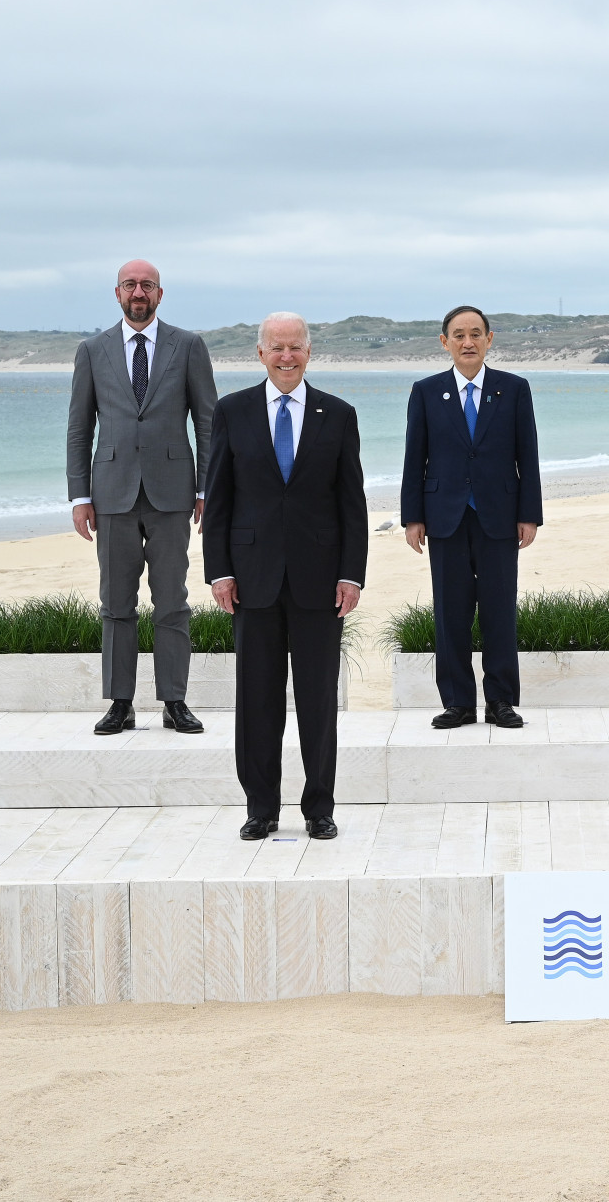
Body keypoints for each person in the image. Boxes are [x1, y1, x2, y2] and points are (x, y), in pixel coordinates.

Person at [203, 313, 370, 841]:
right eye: (276, 348)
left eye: (295, 347)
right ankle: (261, 808)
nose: (286, 357)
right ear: (260, 354)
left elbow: (352, 504)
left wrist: (352, 575)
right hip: (250, 580)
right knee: (257, 700)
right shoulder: (231, 412)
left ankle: (319, 806)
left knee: (319, 699)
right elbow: (220, 500)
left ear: (309, 351)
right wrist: (219, 572)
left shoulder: (338, 415)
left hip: (320, 581)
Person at [66, 259, 218, 736]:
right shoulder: (92, 350)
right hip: (110, 493)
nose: (138, 292)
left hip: (173, 493)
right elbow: (78, 428)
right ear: (117, 293)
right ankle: (120, 702)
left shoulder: (188, 346)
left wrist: (205, 489)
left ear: (159, 293)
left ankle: (175, 701)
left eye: (146, 285)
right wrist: (79, 496)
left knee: (172, 601)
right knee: (115, 602)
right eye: (130, 285)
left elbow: (208, 421)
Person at [400, 306, 543, 729]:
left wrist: (529, 514)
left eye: (476, 334)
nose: (468, 342)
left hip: (499, 516)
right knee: (450, 613)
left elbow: (527, 455)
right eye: (458, 335)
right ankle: (457, 702)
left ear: (489, 340)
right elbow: (414, 458)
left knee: (500, 611)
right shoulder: (425, 391)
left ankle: (500, 700)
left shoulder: (514, 389)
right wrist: (413, 517)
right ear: (444, 342)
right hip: (444, 516)